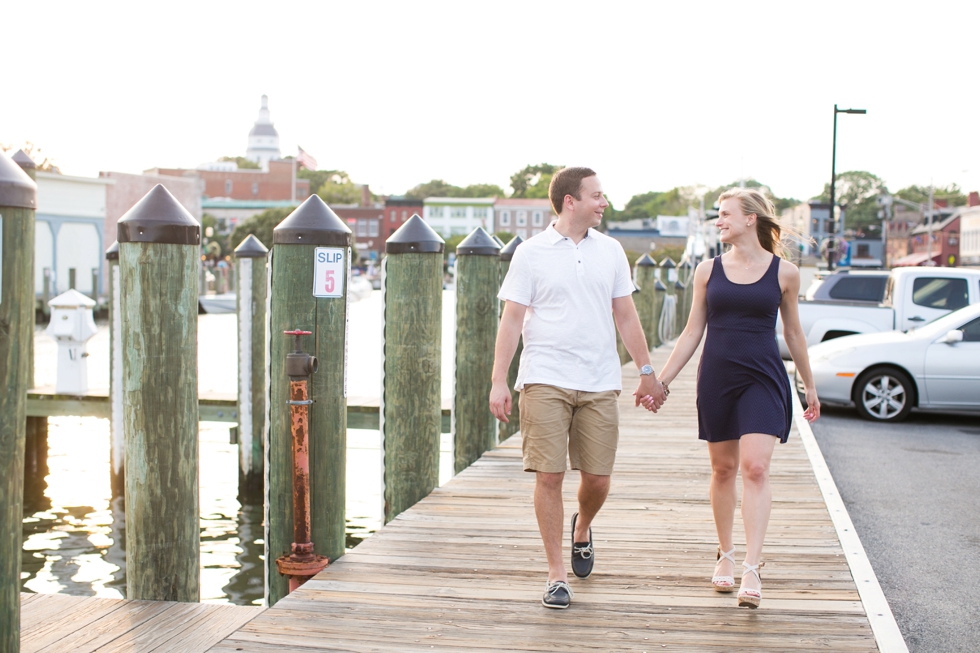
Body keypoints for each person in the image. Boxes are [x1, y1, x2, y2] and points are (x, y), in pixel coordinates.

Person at [490, 166, 668, 609]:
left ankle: (582, 527)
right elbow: (511, 319)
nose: (604, 203)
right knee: (549, 475)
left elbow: (625, 315)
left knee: (598, 478)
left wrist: (646, 370)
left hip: (599, 379)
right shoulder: (530, 254)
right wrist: (499, 379)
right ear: (571, 200)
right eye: (597, 196)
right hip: (545, 376)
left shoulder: (611, 251)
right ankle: (555, 576)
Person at [649, 187, 820, 608]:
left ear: (750, 219)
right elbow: (692, 331)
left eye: (725, 214)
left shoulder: (785, 273)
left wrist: (809, 386)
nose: (718, 221)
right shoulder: (708, 270)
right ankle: (725, 555)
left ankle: (752, 566)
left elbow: (794, 333)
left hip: (763, 377)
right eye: (717, 215)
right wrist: (662, 381)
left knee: (756, 467)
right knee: (723, 469)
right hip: (718, 377)